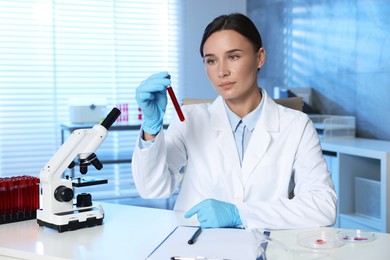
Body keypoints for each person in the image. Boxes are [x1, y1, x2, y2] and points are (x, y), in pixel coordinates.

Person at [132, 13, 337, 229]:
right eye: (211, 60)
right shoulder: (190, 118)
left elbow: (323, 207)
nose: (222, 72)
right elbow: (152, 188)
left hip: (262, 246)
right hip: (196, 245)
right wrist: (151, 128)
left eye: (233, 57)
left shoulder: (296, 126)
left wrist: (240, 214)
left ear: (259, 58)